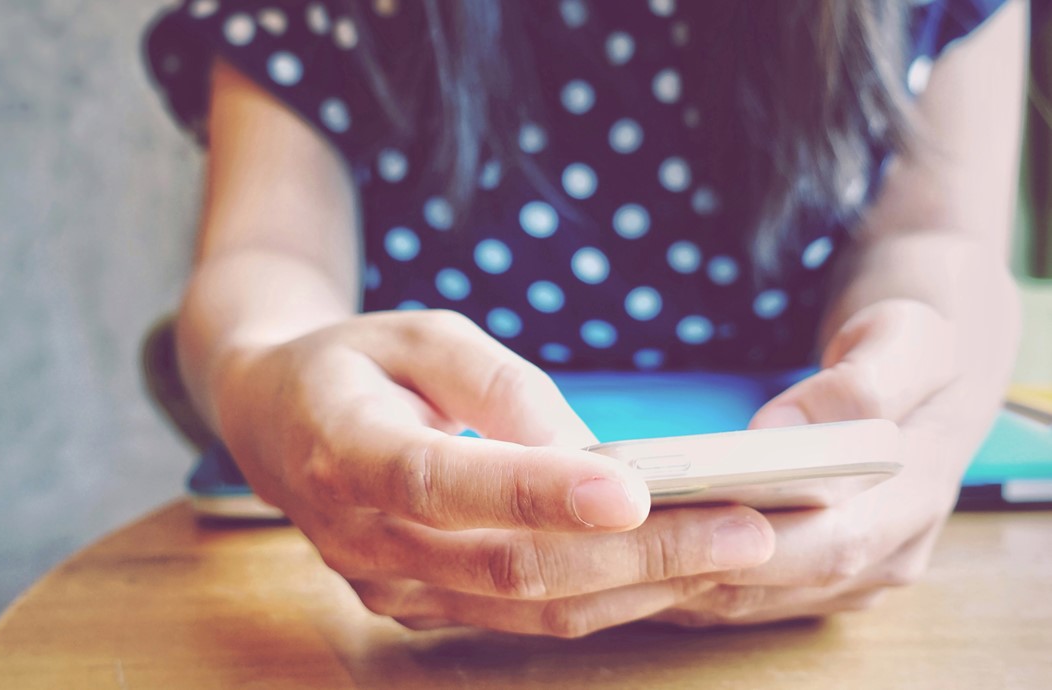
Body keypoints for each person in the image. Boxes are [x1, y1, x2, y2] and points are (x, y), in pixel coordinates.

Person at [141, 0, 1025, 635]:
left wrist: (932, 375)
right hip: (373, 614)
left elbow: (938, 235)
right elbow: (265, 261)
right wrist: (265, 376)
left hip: (820, 605)